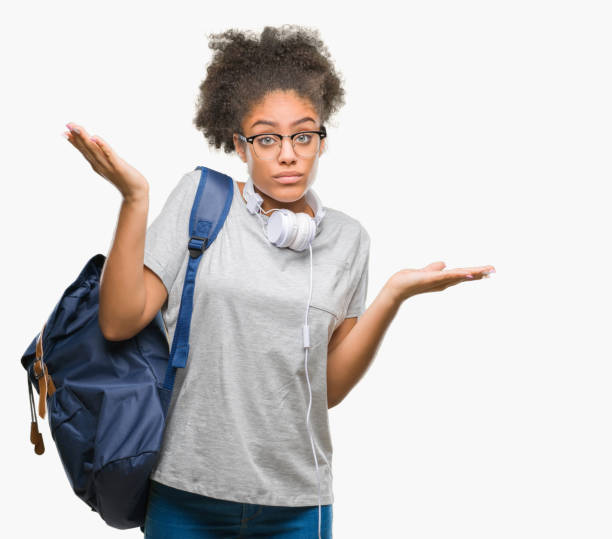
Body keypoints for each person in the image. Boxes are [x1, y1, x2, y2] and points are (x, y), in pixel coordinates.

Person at [62, 24, 495, 539]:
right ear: (240, 144)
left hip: (298, 504)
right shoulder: (201, 201)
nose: (287, 154)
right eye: (267, 138)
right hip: (185, 493)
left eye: (303, 135)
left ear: (320, 140)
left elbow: (327, 388)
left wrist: (393, 294)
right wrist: (134, 199)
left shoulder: (348, 240)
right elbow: (117, 322)